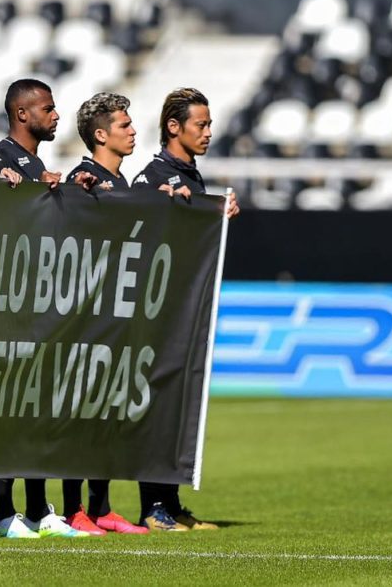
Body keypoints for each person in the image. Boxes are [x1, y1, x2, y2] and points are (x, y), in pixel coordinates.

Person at [0, 79, 94, 539]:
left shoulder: (33, 162)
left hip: (32, 308)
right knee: (7, 411)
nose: (57, 115)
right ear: (22, 114)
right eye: (48, 108)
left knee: (34, 410)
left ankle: (38, 509)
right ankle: (6, 514)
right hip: (2, 309)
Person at [132, 86, 239, 532]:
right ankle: (152, 506)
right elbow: (133, 229)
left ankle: (171, 504)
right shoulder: (153, 175)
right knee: (156, 408)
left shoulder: (189, 176)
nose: (209, 133)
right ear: (174, 127)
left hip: (181, 310)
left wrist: (217, 215)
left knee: (177, 406)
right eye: (201, 124)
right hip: (154, 312)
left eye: (210, 124)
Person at [60, 92, 152, 537]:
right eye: (124, 125)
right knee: (77, 417)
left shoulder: (126, 185)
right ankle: (74, 508)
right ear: (101, 135)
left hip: (116, 318)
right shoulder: (83, 179)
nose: (133, 131)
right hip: (82, 319)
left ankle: (102, 507)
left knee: (105, 416)